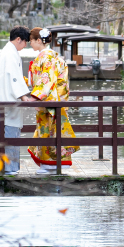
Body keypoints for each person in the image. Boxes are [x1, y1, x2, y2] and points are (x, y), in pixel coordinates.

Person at [0, 26, 34, 176]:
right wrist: (23, 96)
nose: (25, 46)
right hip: (5, 105)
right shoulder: (10, 54)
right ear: (18, 39)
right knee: (7, 132)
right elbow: (13, 77)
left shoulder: (7, 51)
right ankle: (8, 167)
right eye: (25, 42)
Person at [27, 27, 79, 174]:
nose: (30, 43)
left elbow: (46, 80)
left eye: (31, 40)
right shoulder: (52, 55)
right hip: (53, 99)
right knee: (52, 132)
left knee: (48, 132)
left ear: (38, 40)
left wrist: (35, 96)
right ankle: (54, 164)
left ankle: (49, 165)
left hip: (49, 100)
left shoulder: (47, 57)